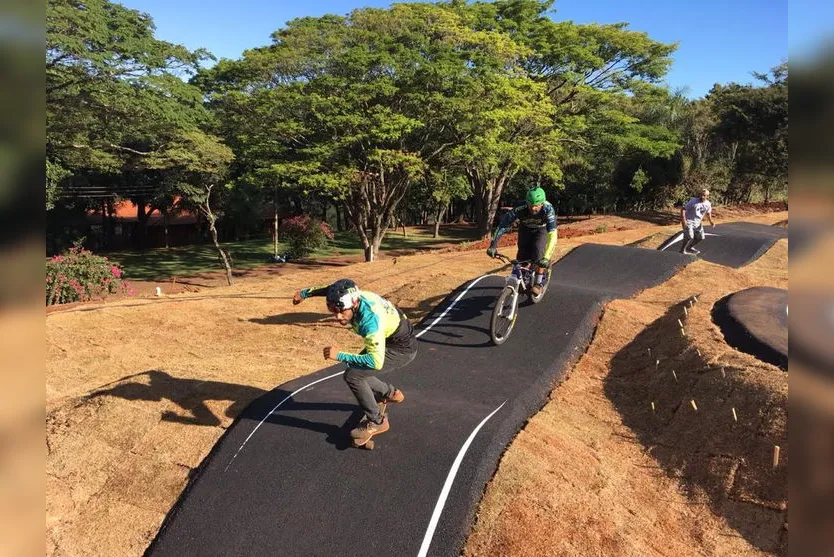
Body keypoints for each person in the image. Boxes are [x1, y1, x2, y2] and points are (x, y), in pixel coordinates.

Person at [292, 279, 416, 440]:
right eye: (333, 310)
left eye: (342, 311)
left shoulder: (370, 322)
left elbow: (375, 362)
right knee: (358, 370)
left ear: (354, 303)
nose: (338, 316)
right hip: (392, 335)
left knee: (353, 375)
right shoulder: (350, 296)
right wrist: (304, 293)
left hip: (401, 348)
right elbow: (330, 289)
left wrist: (340, 355)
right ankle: (389, 393)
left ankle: (377, 421)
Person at [485, 187, 558, 295]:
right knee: (522, 257)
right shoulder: (520, 207)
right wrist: (493, 245)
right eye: (530, 205)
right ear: (526, 202)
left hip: (541, 230)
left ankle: (538, 283)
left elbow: (553, 235)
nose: (533, 208)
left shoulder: (548, 209)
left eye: (536, 205)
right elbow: (502, 226)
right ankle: (524, 276)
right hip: (525, 228)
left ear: (542, 203)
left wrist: (546, 258)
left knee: (538, 253)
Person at [680, 188, 716, 255]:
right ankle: (682, 250)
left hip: (698, 222)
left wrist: (711, 221)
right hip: (689, 221)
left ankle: (689, 247)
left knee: (700, 237)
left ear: (708, 196)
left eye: (704, 195)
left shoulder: (708, 204)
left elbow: (708, 213)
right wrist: (683, 220)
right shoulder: (693, 201)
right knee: (689, 236)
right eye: (701, 195)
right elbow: (683, 209)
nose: (702, 197)